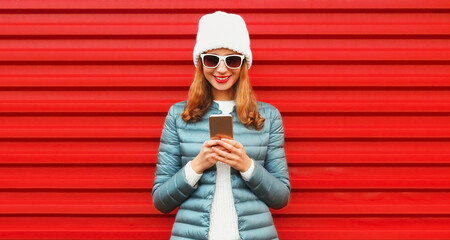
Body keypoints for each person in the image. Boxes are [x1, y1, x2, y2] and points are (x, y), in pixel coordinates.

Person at [152, 11, 291, 240]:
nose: (222, 69)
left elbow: (281, 198)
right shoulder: (179, 115)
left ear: (244, 64)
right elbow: (161, 201)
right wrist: (197, 165)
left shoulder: (267, 117)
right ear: (201, 63)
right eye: (212, 59)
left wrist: (247, 166)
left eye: (232, 60)